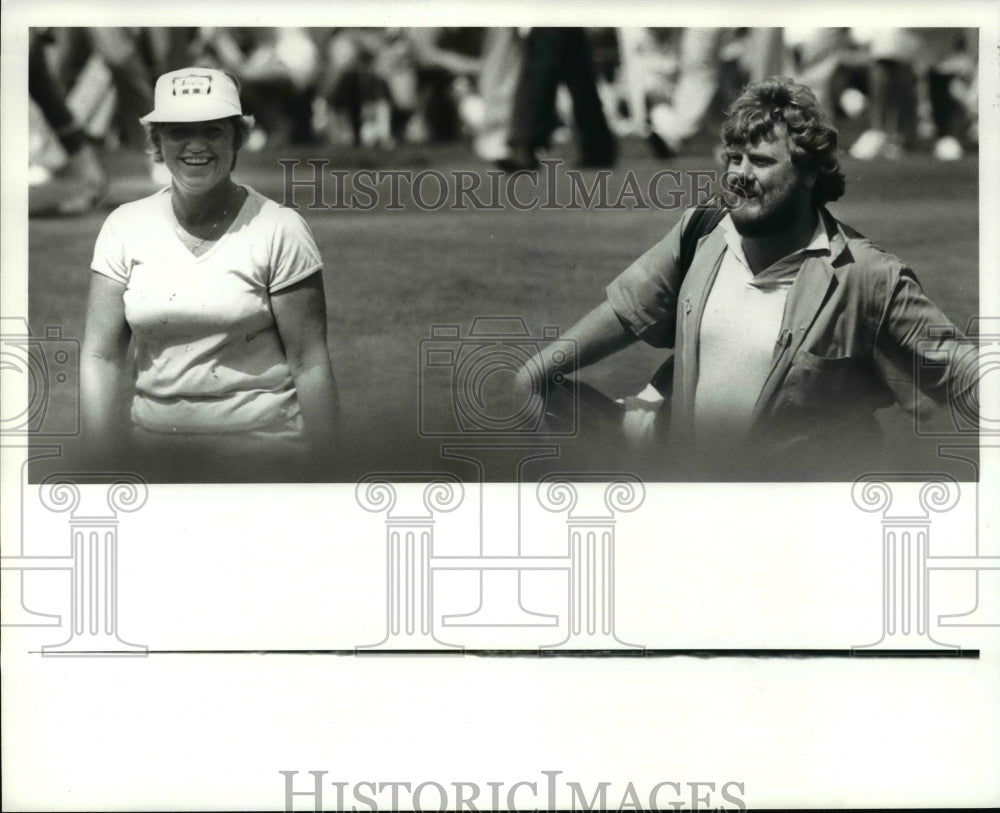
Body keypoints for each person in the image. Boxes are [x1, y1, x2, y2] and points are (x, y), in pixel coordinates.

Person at [515, 76, 977, 479]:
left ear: (811, 172)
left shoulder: (866, 277)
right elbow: (628, 308)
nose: (738, 175)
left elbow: (963, 372)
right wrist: (538, 371)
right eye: (732, 159)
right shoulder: (704, 231)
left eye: (758, 161)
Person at [80, 67, 339, 481]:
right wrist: (98, 458)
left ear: (237, 138)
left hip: (265, 455)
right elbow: (101, 355)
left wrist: (329, 474)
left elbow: (309, 362)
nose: (196, 146)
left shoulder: (280, 228)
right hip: (154, 458)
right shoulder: (123, 227)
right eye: (179, 131)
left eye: (213, 131)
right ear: (156, 143)